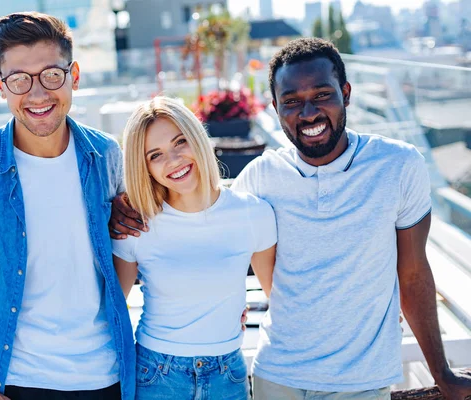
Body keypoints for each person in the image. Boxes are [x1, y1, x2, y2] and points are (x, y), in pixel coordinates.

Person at [110, 38, 471, 400]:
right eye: (293, 102)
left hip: (361, 378)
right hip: (274, 375)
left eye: (322, 95)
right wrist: (123, 203)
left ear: (346, 92)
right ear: (276, 108)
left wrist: (441, 372)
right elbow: (220, 230)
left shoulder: (399, 165)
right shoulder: (261, 178)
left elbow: (413, 273)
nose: (309, 113)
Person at [0, 12, 135, 400]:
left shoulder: (107, 156)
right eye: (19, 80)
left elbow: (126, 251)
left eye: (51, 74)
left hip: (109, 377)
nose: (37, 94)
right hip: (14, 384)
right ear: (1, 86)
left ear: (74, 76)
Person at [112, 96, 277, 399]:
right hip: (157, 375)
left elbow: (281, 300)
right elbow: (110, 311)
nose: (173, 160)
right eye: (155, 155)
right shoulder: (136, 225)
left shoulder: (254, 214)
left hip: (228, 374)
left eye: (180, 142)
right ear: (144, 166)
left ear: (197, 137)